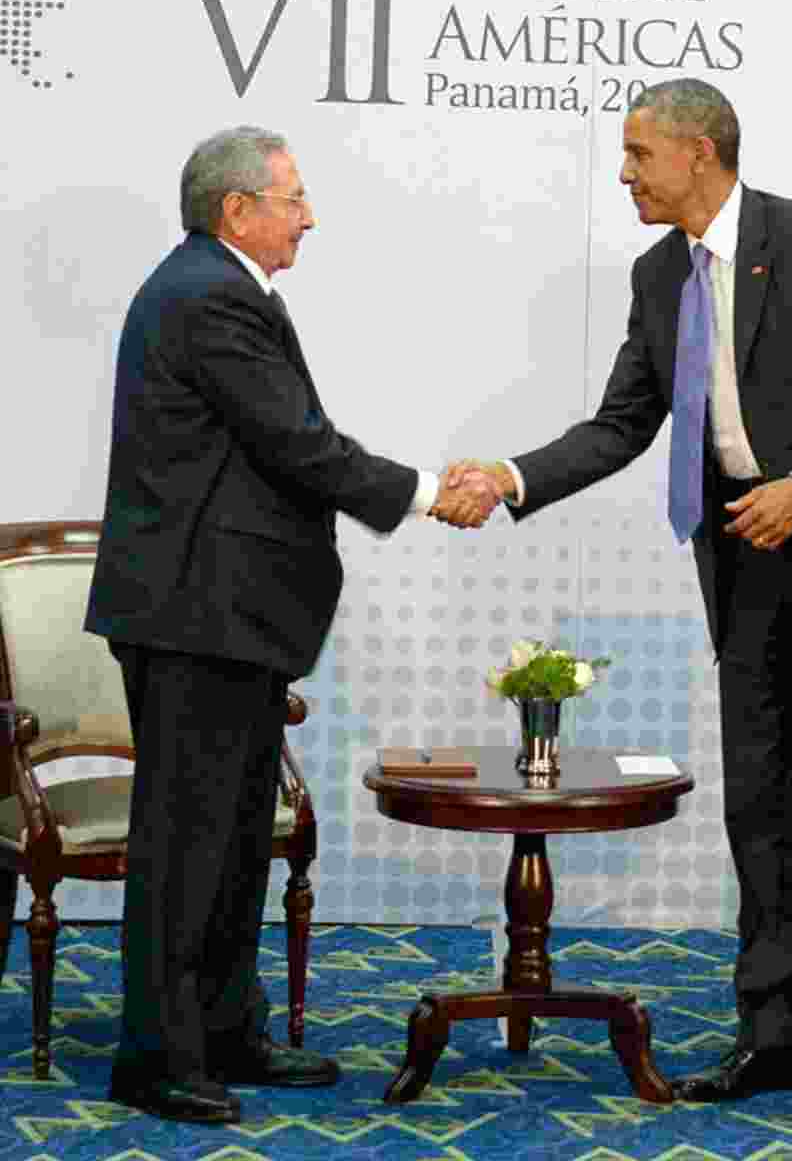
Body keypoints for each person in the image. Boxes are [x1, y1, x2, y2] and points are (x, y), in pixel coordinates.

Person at [448, 77, 792, 1131]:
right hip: (746, 566)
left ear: (700, 152)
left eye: (637, 153)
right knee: (758, 814)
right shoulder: (656, 273)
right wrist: (510, 474)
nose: (623, 173)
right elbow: (622, 421)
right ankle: (774, 1040)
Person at [85, 125, 499, 1124]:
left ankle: (225, 1029)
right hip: (198, 612)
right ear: (239, 209)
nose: (308, 217)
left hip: (225, 611)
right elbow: (298, 443)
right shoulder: (208, 294)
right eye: (294, 198)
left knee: (232, 839)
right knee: (191, 844)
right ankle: (159, 1055)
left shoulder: (211, 286)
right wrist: (425, 491)